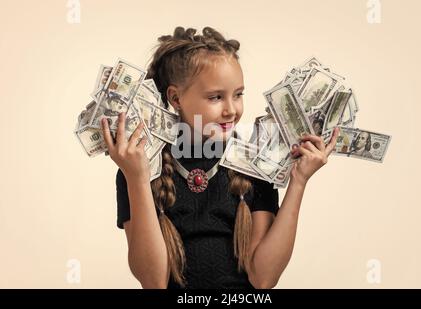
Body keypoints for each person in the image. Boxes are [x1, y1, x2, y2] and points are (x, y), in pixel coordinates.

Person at [101, 26, 339, 289]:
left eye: (238, 94)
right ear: (175, 97)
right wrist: (137, 180)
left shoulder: (255, 164)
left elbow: (263, 278)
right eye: (215, 97)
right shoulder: (139, 167)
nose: (231, 110)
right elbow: (153, 281)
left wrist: (299, 181)